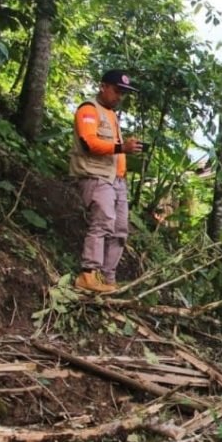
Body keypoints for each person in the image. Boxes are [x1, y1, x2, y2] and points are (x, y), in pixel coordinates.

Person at [69, 69, 144, 292]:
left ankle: (107, 278)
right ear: (103, 87)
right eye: (117, 90)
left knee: (120, 230)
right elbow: (89, 143)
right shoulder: (89, 110)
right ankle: (88, 274)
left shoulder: (111, 114)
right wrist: (123, 147)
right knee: (102, 222)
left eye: (123, 93)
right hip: (96, 175)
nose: (119, 96)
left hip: (117, 180)